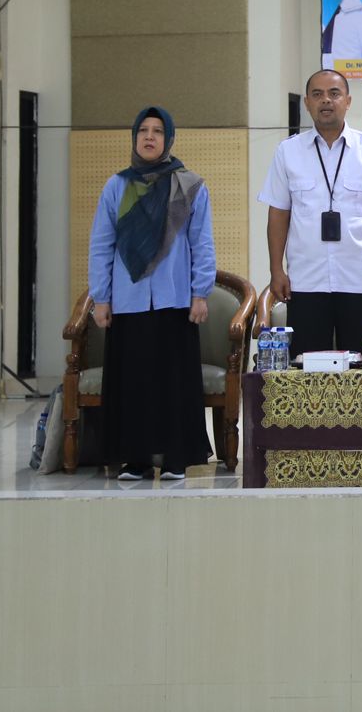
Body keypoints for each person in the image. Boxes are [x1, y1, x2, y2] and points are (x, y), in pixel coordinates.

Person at [87, 106, 214, 481]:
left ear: (169, 139)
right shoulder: (116, 186)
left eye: (158, 131)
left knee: (174, 383)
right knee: (133, 384)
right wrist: (101, 298)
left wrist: (200, 293)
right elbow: (101, 246)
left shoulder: (189, 186)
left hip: (175, 301)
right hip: (129, 303)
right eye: (143, 130)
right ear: (134, 137)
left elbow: (202, 243)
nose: (149, 137)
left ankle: (176, 458)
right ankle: (136, 459)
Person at [259, 69, 362, 357]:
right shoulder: (288, 152)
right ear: (306, 103)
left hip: (360, 280)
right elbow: (278, 214)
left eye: (334, 94)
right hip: (305, 281)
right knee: (308, 368)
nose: (326, 100)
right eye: (317, 94)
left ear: (348, 101)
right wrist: (276, 269)